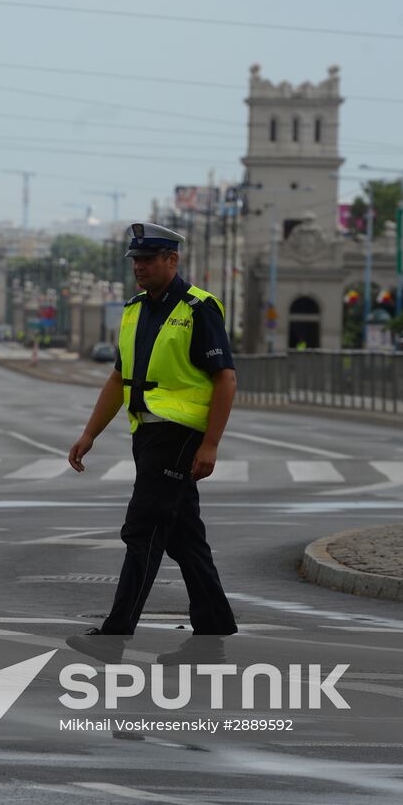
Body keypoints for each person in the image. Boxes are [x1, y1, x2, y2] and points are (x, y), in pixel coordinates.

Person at [65, 222, 238, 664]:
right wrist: (89, 434)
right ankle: (214, 625)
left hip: (179, 435)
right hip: (147, 433)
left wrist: (211, 444)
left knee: (143, 530)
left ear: (171, 260)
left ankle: (114, 635)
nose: (139, 268)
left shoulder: (200, 308)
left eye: (147, 260)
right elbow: (118, 377)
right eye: (135, 261)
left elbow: (226, 379)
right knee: (183, 537)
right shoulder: (134, 309)